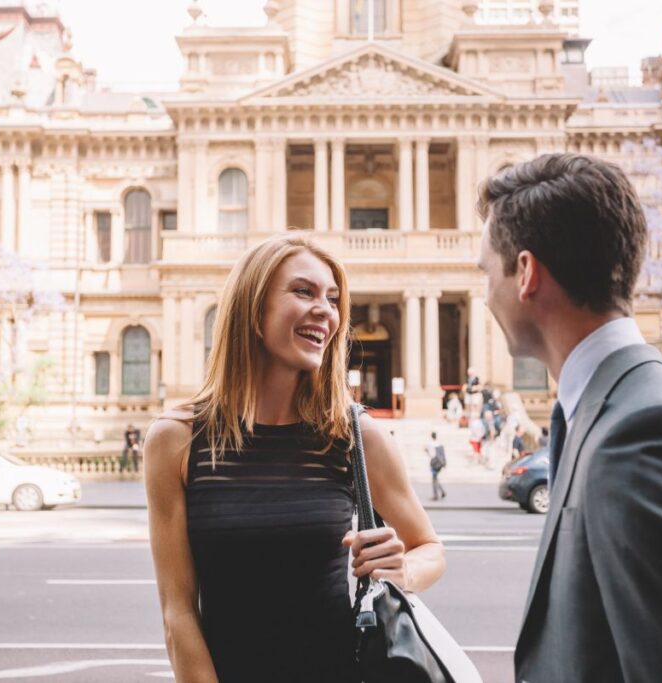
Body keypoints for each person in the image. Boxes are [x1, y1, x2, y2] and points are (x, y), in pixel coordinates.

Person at [476, 154, 662, 682]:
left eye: (486, 272)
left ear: (525, 273)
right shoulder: (614, 406)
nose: (485, 295)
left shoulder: (645, 435)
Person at [143, 235, 445, 683]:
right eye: (304, 291)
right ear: (252, 308)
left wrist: (404, 569)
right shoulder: (176, 440)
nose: (326, 309)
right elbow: (178, 612)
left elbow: (430, 549)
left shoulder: (355, 436)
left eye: (333, 298)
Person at [426, 431, 447, 500]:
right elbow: (443, 454)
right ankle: (441, 492)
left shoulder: (431, 444)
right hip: (440, 464)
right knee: (435, 478)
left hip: (435, 463)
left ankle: (436, 495)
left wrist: (426, 451)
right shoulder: (440, 444)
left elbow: (431, 454)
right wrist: (444, 463)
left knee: (434, 479)